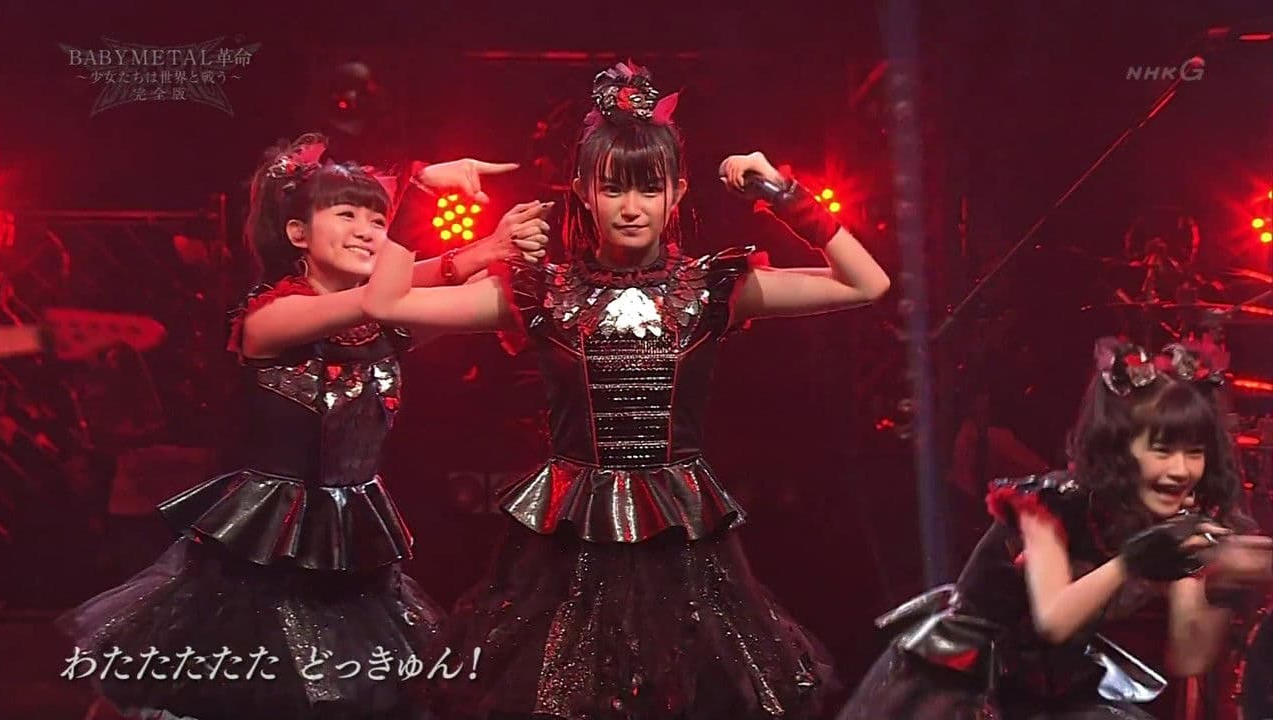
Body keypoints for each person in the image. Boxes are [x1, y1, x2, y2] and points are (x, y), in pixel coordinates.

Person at [359, 61, 891, 718]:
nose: (632, 207)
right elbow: (385, 304)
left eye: (649, 188)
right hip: (567, 548)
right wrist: (417, 194)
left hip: (682, 546)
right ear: (583, 191)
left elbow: (867, 284)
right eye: (613, 188)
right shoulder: (541, 292)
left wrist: (783, 192)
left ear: (678, 192)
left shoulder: (712, 288)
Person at [57, 133, 545, 720]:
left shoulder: (384, 324)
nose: (368, 231)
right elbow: (376, 300)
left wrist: (498, 250)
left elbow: (435, 300)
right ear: (297, 234)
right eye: (347, 215)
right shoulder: (271, 316)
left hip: (352, 547)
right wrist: (419, 192)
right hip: (264, 556)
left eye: (378, 219)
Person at [839, 336, 1273, 719]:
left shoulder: (1170, 522)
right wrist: (1133, 560)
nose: (1181, 470)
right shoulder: (1050, 506)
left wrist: (1217, 583)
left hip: (1048, 691)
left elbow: (1189, 657)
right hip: (964, 686)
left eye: (1194, 453)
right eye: (1162, 451)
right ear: (1121, 449)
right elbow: (1054, 620)